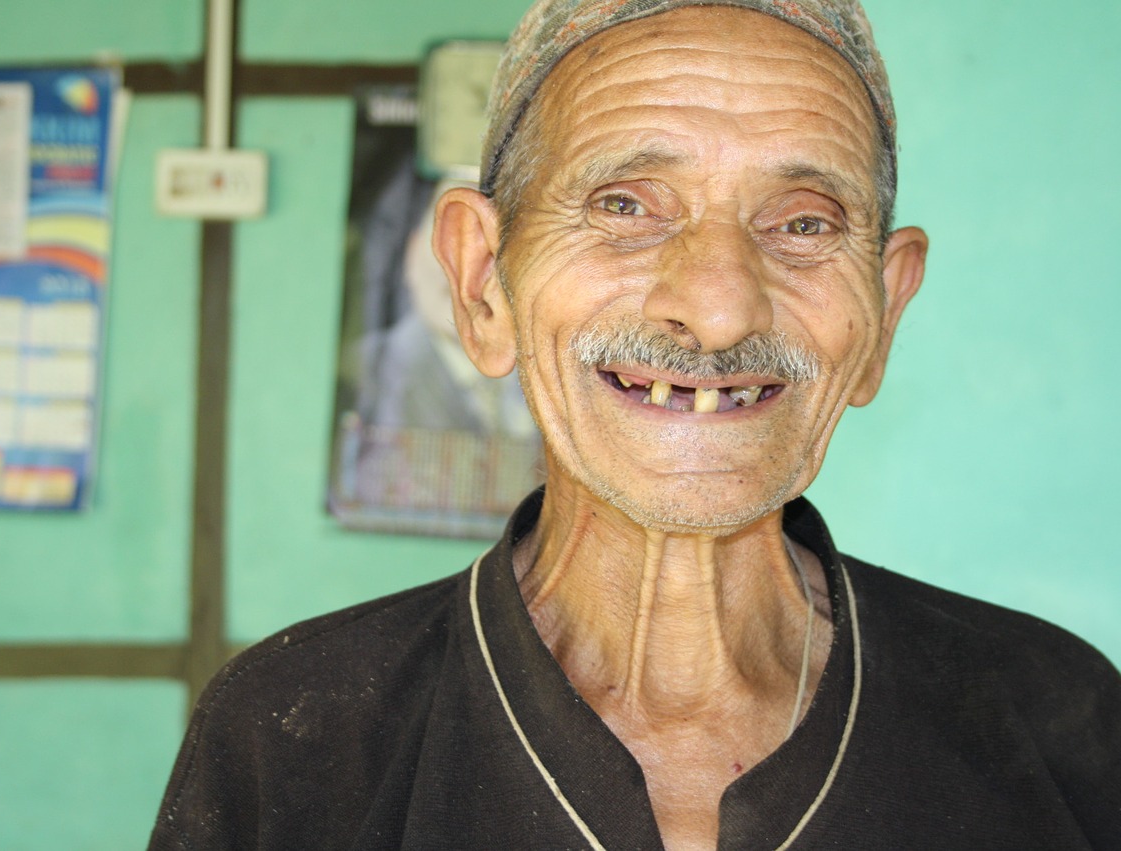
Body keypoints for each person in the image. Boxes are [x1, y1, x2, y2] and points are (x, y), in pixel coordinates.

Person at [150, 0, 1121, 848]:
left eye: (804, 223)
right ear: (482, 282)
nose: (717, 308)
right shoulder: (295, 736)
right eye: (624, 205)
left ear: (881, 314)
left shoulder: (1053, 716)